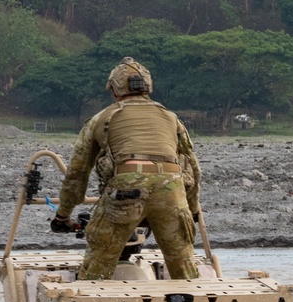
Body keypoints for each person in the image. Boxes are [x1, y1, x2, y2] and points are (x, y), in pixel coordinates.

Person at [50, 57, 201, 280]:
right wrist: (193, 209)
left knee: (96, 269)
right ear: (147, 88)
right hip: (172, 193)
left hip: (124, 195)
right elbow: (192, 169)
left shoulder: (101, 119)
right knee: (184, 268)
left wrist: (63, 216)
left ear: (114, 90)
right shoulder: (172, 119)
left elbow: (77, 173)